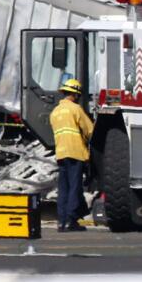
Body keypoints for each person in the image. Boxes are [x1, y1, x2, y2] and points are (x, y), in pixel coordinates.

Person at [50, 77, 94, 232]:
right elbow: (90, 131)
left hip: (61, 153)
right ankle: (71, 220)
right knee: (75, 188)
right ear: (75, 95)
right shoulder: (75, 109)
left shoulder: (55, 112)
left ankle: (62, 222)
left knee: (64, 188)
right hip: (75, 152)